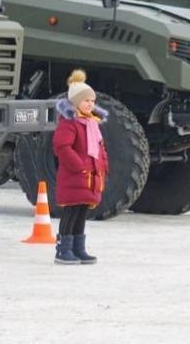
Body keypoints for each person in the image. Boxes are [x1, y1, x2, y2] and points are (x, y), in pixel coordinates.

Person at [52, 69, 109, 265]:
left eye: (92, 101)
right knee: (72, 211)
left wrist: (103, 166)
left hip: (91, 176)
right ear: (75, 102)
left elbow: (100, 148)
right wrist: (78, 165)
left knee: (83, 211)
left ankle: (78, 247)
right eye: (86, 101)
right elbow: (62, 146)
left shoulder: (92, 123)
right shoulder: (70, 123)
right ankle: (63, 248)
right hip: (76, 175)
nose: (90, 104)